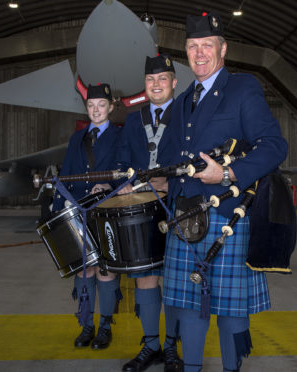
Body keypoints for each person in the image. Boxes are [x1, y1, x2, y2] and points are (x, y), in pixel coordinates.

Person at [161, 12, 288, 372]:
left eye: (207, 46)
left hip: (226, 215)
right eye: (192, 46)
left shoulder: (242, 88)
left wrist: (229, 173)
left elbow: (274, 146)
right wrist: (162, 183)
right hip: (185, 217)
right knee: (188, 307)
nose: (199, 53)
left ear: (223, 49)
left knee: (231, 311)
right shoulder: (184, 99)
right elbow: (176, 157)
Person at [116, 54, 183, 372]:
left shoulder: (187, 115)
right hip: (142, 208)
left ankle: (171, 348)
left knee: (172, 280)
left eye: (162, 79)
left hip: (176, 207)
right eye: (150, 80)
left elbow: (195, 156)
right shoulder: (132, 119)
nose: (156, 85)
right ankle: (151, 346)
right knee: (145, 278)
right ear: (145, 85)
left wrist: (171, 181)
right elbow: (123, 158)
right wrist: (127, 183)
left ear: (173, 83)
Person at [52, 83, 122, 350]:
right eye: (91, 106)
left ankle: (105, 327)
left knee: (105, 270)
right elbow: (66, 173)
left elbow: (128, 171)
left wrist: (109, 186)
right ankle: (86, 326)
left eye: (101, 105)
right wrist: (60, 207)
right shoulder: (75, 139)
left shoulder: (121, 136)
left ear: (111, 107)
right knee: (84, 268)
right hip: (78, 209)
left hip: (107, 210)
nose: (96, 110)